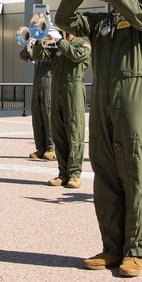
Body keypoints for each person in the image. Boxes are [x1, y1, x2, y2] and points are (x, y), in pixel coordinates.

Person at [56, 0, 142, 278]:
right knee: (104, 174)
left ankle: (134, 250)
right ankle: (111, 247)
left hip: (132, 98)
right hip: (101, 97)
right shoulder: (102, 23)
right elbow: (64, 20)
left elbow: (138, 15)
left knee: (133, 173)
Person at [47, 32, 90, 188]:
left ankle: (74, 174)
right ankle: (62, 173)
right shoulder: (57, 46)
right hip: (57, 90)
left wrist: (59, 41)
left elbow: (76, 56)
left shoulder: (83, 45)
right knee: (58, 134)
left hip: (73, 90)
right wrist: (38, 41)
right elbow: (36, 55)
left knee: (74, 133)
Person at [21, 38, 55, 160]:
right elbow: (23, 55)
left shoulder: (53, 48)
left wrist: (48, 43)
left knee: (48, 115)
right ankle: (40, 147)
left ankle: (51, 148)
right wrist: (33, 42)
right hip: (37, 83)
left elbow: (47, 57)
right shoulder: (38, 47)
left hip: (49, 82)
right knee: (37, 116)